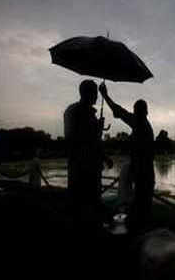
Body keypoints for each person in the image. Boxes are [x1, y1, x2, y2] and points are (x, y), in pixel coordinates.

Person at [99, 82, 155, 235]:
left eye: (136, 111)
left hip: (143, 173)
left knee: (140, 209)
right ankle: (139, 233)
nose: (134, 113)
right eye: (135, 111)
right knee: (141, 208)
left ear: (141, 113)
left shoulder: (140, 124)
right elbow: (121, 112)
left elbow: (119, 111)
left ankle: (138, 236)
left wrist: (105, 96)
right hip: (143, 173)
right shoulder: (142, 125)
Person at [64, 79, 113, 233]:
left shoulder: (80, 112)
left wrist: (104, 156)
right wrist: (97, 129)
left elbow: (94, 142)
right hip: (82, 167)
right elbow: (76, 139)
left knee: (90, 203)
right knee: (83, 203)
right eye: (95, 94)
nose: (97, 98)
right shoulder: (75, 112)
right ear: (87, 93)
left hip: (88, 166)